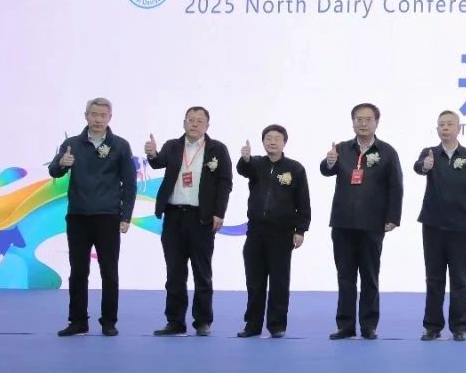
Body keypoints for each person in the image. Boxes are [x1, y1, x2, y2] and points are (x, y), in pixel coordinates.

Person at [49, 97, 137, 337]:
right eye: (94, 114)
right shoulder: (71, 144)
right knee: (78, 271)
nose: (98, 120)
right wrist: (62, 163)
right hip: (78, 216)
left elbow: (130, 184)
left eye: (103, 115)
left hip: (108, 217)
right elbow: (54, 171)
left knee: (109, 271)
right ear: (86, 116)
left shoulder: (120, 145)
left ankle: (109, 322)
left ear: (110, 118)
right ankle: (78, 321)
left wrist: (126, 216)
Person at [146, 106, 233, 337]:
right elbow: (158, 162)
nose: (194, 124)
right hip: (174, 216)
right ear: (184, 122)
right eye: (190, 120)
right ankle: (175, 321)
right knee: (174, 271)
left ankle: (202, 321)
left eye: (199, 121)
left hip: (201, 218)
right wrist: (152, 154)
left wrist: (219, 213)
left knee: (202, 271)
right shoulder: (172, 146)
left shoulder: (217, 149)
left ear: (207, 126)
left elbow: (225, 183)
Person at [322, 102, 404, 340]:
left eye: (368, 119)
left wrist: (392, 217)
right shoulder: (341, 148)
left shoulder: (387, 152)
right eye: (359, 119)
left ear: (377, 122)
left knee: (369, 276)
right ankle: (345, 325)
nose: (363, 123)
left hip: (372, 223)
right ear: (353, 123)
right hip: (343, 223)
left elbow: (396, 186)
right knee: (345, 277)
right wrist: (329, 161)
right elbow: (326, 170)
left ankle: (369, 325)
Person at [413, 110, 466, 342]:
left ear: (458, 128)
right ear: (437, 129)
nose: (445, 128)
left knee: (460, 279)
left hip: (461, 227)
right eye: (441, 124)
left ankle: (459, 327)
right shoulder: (430, 153)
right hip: (433, 225)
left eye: (449, 124)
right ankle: (432, 326)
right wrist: (425, 165)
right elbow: (418, 167)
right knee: (434, 278)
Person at [235, 124, 311, 339]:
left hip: (282, 233)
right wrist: (245, 159)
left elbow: (303, 202)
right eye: (268, 138)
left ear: (284, 142)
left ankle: (277, 325)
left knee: (279, 281)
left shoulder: (295, 168)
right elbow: (243, 170)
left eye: (277, 138)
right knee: (254, 281)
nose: (272, 142)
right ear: (263, 142)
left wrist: (301, 230)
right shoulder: (256, 164)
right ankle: (252, 325)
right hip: (255, 231)